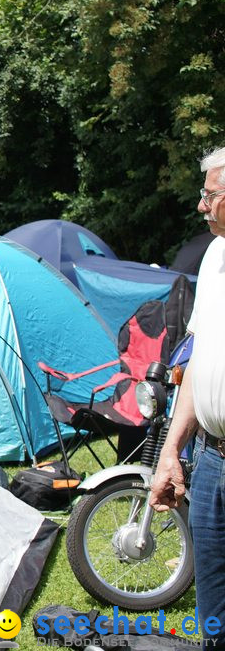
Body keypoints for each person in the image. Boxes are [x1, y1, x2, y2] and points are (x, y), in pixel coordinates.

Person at [150, 145, 225, 648]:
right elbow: (198, 362)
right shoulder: (216, 255)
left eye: (210, 194)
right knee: (213, 616)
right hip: (213, 462)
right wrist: (171, 452)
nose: (201, 206)